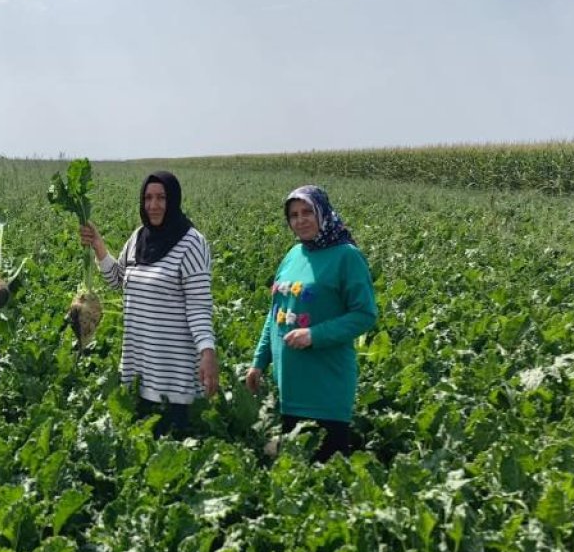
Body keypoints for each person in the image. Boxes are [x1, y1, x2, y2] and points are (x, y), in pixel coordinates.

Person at [80, 171, 218, 437]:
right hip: (139, 368)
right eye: (148, 198)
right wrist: (99, 247)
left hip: (173, 374)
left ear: (174, 200)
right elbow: (119, 280)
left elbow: (199, 306)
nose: (153, 205)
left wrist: (207, 352)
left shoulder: (191, 244)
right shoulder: (138, 238)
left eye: (161, 198)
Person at [245, 184, 377, 462]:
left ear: (323, 213)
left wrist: (315, 335)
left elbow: (365, 314)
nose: (300, 220)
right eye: (293, 215)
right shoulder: (293, 255)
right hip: (289, 387)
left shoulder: (347, 257)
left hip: (326, 389)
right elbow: (275, 315)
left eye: (307, 212)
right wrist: (259, 361)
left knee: (326, 477)